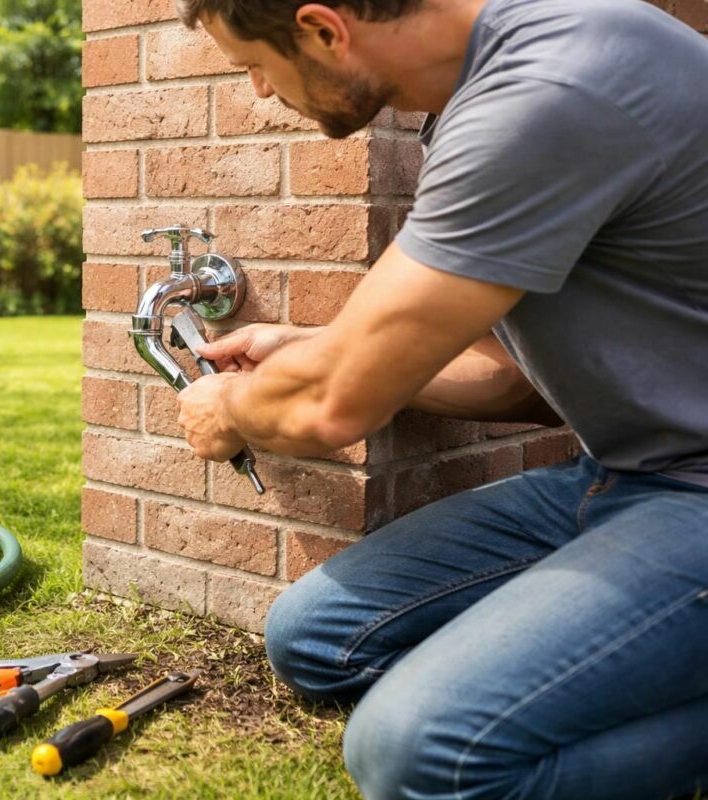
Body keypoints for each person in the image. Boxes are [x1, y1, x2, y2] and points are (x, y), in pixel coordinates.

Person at [171, 0, 708, 797]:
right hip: (626, 471)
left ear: (323, 28)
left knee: (417, 753)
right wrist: (317, 352)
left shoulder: (552, 88)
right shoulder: (469, 101)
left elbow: (329, 409)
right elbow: (518, 381)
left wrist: (234, 409)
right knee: (317, 638)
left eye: (252, 61)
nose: (255, 89)